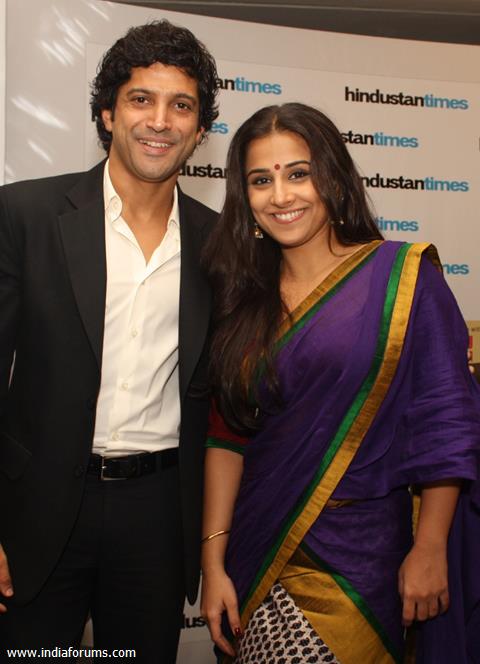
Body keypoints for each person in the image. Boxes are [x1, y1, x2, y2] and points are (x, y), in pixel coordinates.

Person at [200, 102, 480, 663]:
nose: (281, 195)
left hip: (361, 556)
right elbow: (228, 437)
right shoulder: (242, 302)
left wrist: (429, 549)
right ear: (246, 199)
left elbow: (444, 420)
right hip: (259, 548)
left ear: (332, 177)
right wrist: (213, 563)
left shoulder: (402, 279)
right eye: (261, 180)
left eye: (298, 173)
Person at [0, 20, 218, 662]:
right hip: (37, 507)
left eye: (182, 106)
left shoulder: (220, 242)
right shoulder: (25, 216)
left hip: (157, 513)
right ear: (107, 114)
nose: (161, 121)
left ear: (200, 130)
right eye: (140, 99)